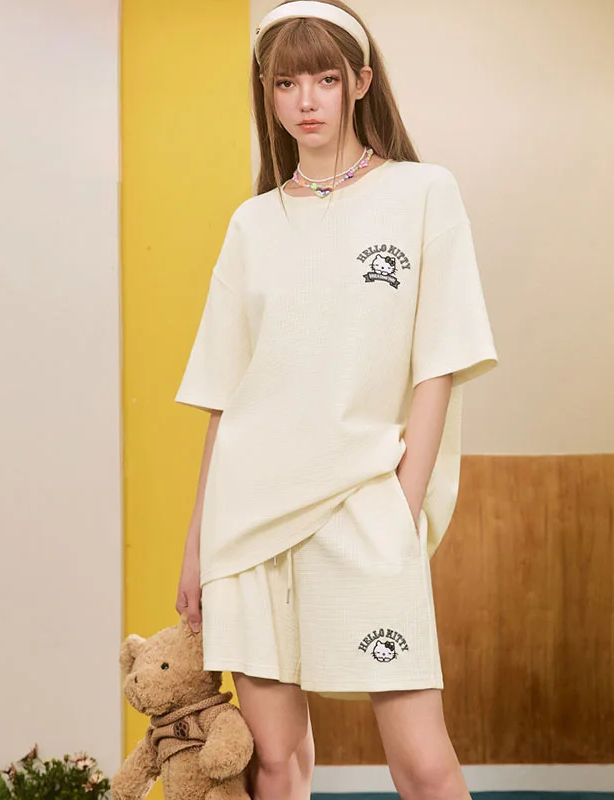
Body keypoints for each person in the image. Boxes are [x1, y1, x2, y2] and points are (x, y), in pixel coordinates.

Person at [174, 2, 498, 798]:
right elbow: (225, 394)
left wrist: (402, 505)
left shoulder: (424, 193)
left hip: (364, 505)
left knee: (424, 765)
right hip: (247, 521)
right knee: (275, 763)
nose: (306, 100)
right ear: (267, 92)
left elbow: (440, 363)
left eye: (324, 78)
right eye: (286, 83)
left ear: (361, 81)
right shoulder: (252, 224)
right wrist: (197, 542)